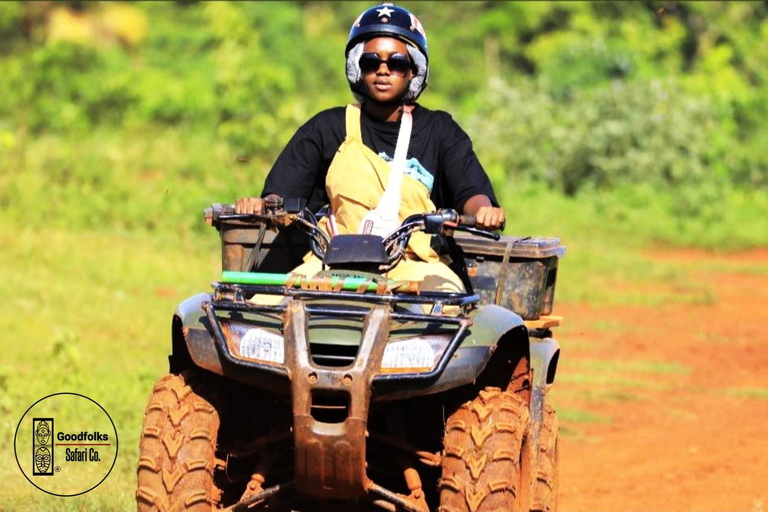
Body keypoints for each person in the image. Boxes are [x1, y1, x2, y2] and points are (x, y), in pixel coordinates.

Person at [236, 3, 505, 294]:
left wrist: (484, 211)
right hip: (330, 265)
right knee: (267, 314)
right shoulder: (328, 127)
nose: (383, 70)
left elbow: (471, 192)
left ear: (413, 70)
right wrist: (262, 205)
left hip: (416, 267)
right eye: (371, 62)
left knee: (449, 309)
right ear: (357, 68)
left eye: (397, 63)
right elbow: (282, 194)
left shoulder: (440, 130)